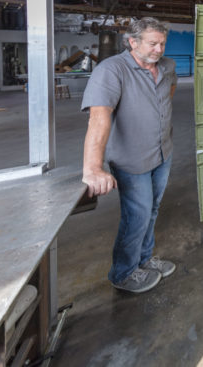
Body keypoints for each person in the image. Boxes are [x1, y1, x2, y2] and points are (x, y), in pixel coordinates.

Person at [81, 17, 178, 293]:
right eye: (152, 44)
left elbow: (168, 93)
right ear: (132, 42)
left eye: (162, 43)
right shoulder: (111, 70)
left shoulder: (167, 67)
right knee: (137, 215)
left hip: (163, 152)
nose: (159, 49)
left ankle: (144, 260)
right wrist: (93, 168)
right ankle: (123, 272)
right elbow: (99, 119)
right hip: (131, 159)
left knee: (153, 209)